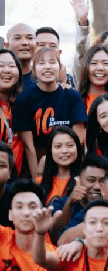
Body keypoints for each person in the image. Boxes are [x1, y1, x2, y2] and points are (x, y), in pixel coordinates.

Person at [13, 47, 87, 176]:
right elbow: (28, 147)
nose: (47, 67)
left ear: (60, 67)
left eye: (52, 62)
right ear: (34, 69)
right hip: (37, 163)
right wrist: (37, 179)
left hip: (69, 162)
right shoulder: (24, 99)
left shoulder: (72, 96)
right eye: (41, 63)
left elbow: (78, 139)